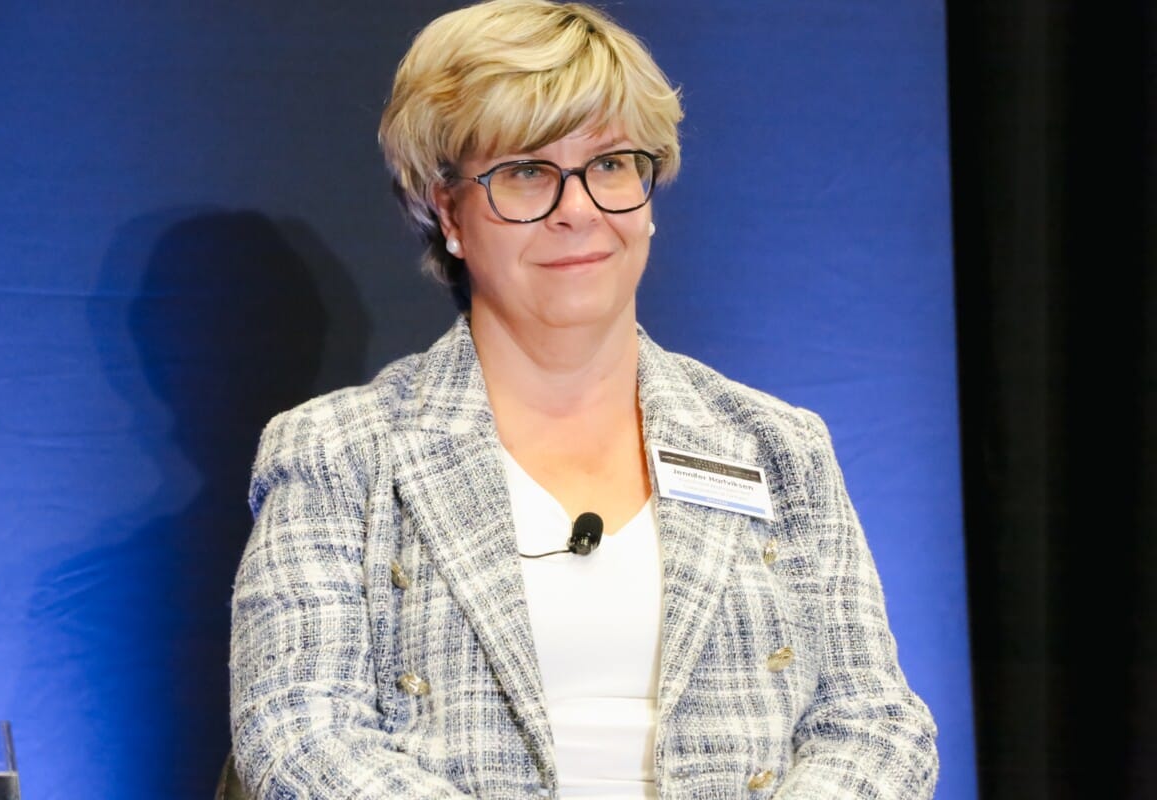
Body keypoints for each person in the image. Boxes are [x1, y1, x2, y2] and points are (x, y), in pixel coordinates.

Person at [228, 1, 940, 797]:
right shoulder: (340, 454)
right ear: (447, 210)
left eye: (610, 165)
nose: (579, 209)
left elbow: (875, 724)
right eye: (527, 172)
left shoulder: (776, 447)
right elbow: (299, 735)